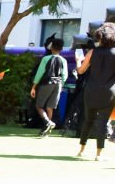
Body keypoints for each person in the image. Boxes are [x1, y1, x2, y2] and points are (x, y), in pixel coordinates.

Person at [75, 22, 115, 160]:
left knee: (88, 120)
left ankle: (81, 150)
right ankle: (99, 154)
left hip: (91, 90)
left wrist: (78, 60)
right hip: (109, 92)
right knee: (103, 122)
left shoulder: (92, 52)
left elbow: (81, 71)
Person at [31, 36, 67, 137]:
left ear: (51, 47)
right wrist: (61, 85)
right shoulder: (63, 60)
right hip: (58, 84)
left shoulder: (45, 58)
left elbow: (40, 73)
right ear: (62, 49)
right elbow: (65, 75)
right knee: (50, 107)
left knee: (39, 106)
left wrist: (34, 86)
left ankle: (47, 123)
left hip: (47, 83)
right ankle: (46, 131)